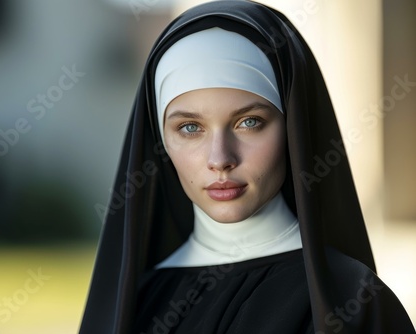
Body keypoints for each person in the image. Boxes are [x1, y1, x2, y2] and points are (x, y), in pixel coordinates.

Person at [79, 1, 416, 333]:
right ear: (160, 139)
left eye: (249, 122)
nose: (220, 158)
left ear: (293, 129)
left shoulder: (353, 302)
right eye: (190, 128)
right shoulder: (140, 301)